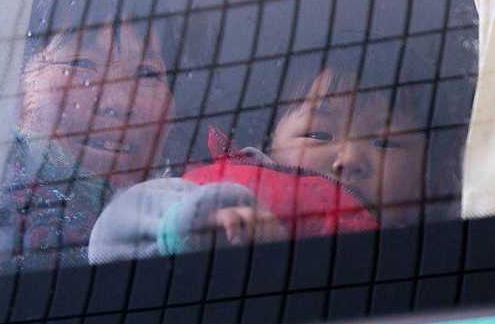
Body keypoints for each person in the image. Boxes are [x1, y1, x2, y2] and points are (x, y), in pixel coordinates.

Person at [89, 62, 425, 263]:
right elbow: (113, 232)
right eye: (318, 134)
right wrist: (196, 222)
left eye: (385, 142)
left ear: (429, 176)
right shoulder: (233, 187)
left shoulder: (432, 252)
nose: (348, 158)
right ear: (270, 145)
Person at [0, 0, 185, 272]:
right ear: (15, 86)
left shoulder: (204, 208)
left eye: (146, 73)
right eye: (81, 63)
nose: (118, 102)